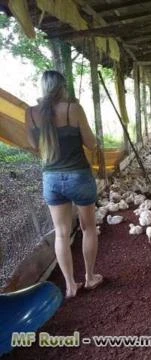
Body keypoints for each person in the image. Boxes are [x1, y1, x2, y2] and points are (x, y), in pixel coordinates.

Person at [25, 70, 103, 299]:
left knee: (61, 233)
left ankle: (70, 286)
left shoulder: (30, 113)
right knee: (89, 228)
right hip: (78, 175)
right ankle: (89, 278)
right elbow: (90, 143)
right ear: (62, 86)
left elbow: (33, 144)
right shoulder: (72, 109)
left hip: (51, 178)